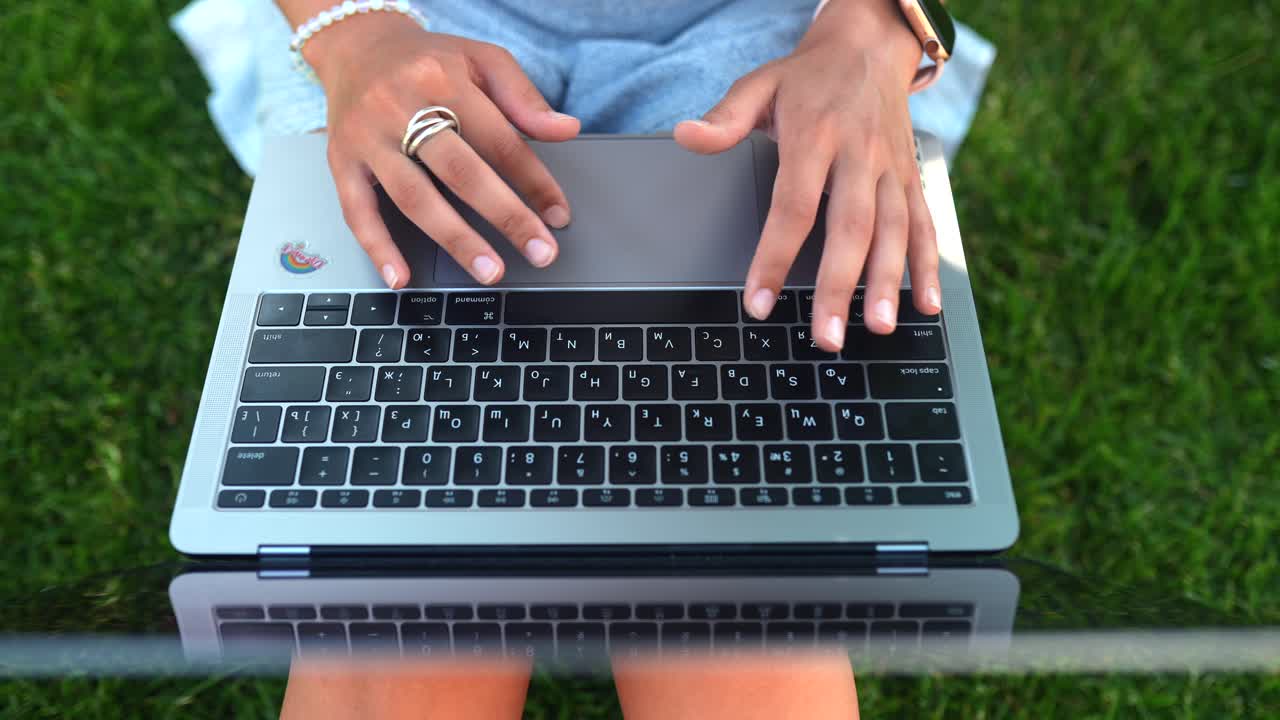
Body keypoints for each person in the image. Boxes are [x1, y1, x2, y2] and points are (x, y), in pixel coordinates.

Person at [218, 0, 985, 353]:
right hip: (400, 13)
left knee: (741, 371)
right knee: (393, 347)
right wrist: (351, 33)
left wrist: (869, 30)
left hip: (753, 18)